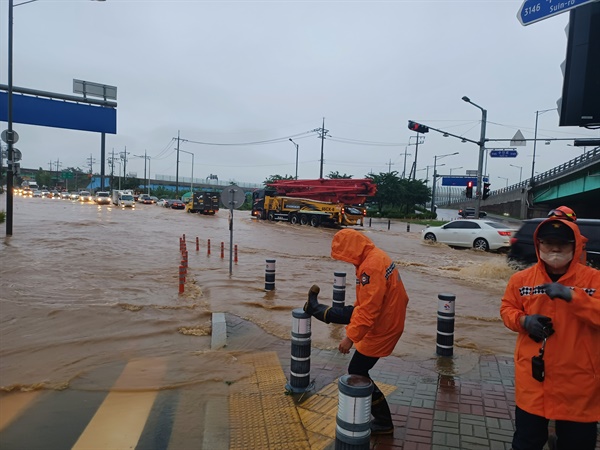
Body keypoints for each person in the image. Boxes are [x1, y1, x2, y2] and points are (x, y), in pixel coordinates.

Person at [500, 217, 600, 450]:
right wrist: (524, 320)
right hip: (533, 381)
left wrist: (574, 298)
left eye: (562, 244)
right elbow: (507, 309)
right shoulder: (521, 280)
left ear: (574, 246)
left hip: (579, 383)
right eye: (548, 243)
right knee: (526, 443)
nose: (555, 249)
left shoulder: (594, 280)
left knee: (577, 444)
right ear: (538, 245)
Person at [303, 229, 409, 435]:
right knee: (348, 313)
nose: (347, 261)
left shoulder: (370, 266)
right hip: (386, 316)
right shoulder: (375, 256)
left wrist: (350, 338)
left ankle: (384, 420)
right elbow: (367, 304)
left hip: (383, 325)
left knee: (357, 371)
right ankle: (313, 307)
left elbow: (369, 310)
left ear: (351, 249)